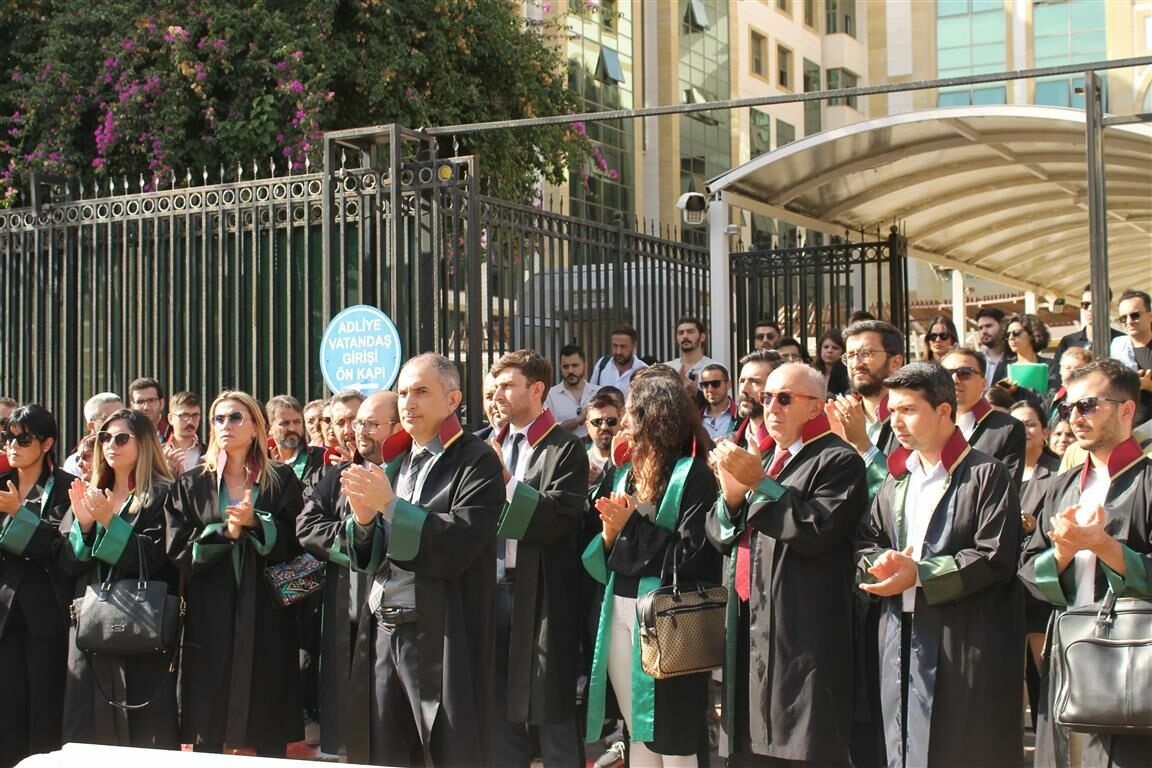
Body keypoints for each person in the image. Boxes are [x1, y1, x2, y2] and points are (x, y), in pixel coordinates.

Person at [856, 362, 1024, 768]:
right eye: (892, 411)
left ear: (945, 411)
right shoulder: (897, 481)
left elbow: (995, 555)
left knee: (962, 748)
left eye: (909, 410)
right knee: (900, 744)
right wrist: (882, 562)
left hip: (963, 636)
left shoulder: (986, 473)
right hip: (898, 631)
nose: (896, 421)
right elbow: (867, 541)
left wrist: (921, 573)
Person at [343, 353, 506, 766]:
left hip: (439, 632)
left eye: (421, 391)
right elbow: (369, 556)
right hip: (383, 629)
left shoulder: (477, 460)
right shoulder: (394, 462)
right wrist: (364, 523)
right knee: (383, 749)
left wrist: (392, 509)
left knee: (447, 752)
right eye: (402, 393)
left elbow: (459, 544)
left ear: (453, 401)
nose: (408, 403)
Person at [709, 363, 868, 766]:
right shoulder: (762, 456)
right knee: (747, 747)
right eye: (766, 398)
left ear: (816, 408)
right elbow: (720, 535)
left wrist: (759, 484)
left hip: (803, 630)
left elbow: (817, 530)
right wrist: (730, 498)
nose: (772, 407)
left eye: (784, 398)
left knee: (802, 748)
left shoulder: (838, 459)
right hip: (748, 621)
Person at [584, 366, 720, 767]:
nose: (622, 423)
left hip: (668, 618)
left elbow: (694, 553)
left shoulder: (693, 474)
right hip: (619, 607)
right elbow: (603, 548)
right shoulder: (623, 473)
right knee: (636, 727)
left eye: (630, 413)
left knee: (673, 735)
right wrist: (611, 534)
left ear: (654, 418)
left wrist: (630, 528)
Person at [1019, 358, 1152, 766]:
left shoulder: (1147, 481)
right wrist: (1063, 552)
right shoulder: (1059, 487)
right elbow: (1026, 575)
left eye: (1088, 405)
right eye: (1067, 408)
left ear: (1127, 409)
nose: (1075, 416)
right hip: (1067, 656)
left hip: (1134, 658)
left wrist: (1104, 546)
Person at [165, 390, 305, 756]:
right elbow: (176, 545)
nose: (225, 425)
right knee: (207, 714)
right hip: (210, 608)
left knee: (268, 714)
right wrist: (225, 532)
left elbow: (298, 541)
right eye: (219, 418)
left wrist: (257, 523)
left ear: (256, 427)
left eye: (236, 417)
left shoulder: (281, 480)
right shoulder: (192, 483)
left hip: (267, 610)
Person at [488, 350, 589, 767]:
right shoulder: (486, 444)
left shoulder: (565, 449)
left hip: (544, 593)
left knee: (552, 710)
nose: (498, 396)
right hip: (491, 590)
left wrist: (508, 481)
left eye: (507, 386)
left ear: (537, 389)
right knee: (498, 710)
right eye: (494, 388)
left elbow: (559, 518)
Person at [58, 409, 178, 748]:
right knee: (87, 727)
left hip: (141, 623)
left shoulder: (164, 495)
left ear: (143, 443)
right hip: (92, 624)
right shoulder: (91, 491)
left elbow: (156, 559)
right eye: (105, 437)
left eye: (122, 437)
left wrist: (111, 522)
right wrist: (83, 525)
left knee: (145, 730)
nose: (111, 444)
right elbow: (67, 564)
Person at [296, 390, 402, 758]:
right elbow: (307, 525)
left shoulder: (407, 471)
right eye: (355, 424)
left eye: (368, 423)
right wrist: (358, 536)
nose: (358, 431)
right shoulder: (340, 474)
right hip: (345, 602)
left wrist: (372, 533)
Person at [0, 405, 73, 768]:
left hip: (47, 611)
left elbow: (60, 548)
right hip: (4, 610)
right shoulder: (0, 485)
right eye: (8, 438)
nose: (13, 445)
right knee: (7, 704)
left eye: (23, 439)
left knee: (44, 704)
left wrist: (19, 513)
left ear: (46, 444)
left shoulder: (64, 487)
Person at [1008, 399, 1061, 731]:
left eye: (1030, 424)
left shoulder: (1057, 473)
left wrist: (1032, 524)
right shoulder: (999, 469)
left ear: (1044, 431)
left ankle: (1049, 735)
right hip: (1007, 581)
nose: (1024, 431)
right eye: (1017, 425)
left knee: (1044, 667)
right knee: (1014, 672)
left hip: (1041, 581)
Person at [827, 320, 906, 501]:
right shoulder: (838, 416)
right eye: (851, 355)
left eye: (865, 353)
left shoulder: (911, 417)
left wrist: (863, 445)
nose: (856, 364)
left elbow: (906, 492)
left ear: (895, 362)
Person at [941, 347, 1027, 487]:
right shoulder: (927, 424)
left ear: (984, 383)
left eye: (965, 373)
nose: (954, 379)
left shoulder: (1008, 428)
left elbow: (1006, 491)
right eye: (946, 374)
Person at [266, 395, 327, 498]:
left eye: (297, 422)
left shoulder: (320, 459)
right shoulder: (261, 461)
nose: (292, 428)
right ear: (270, 428)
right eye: (284, 423)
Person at [1109, 288, 1152, 430]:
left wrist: (1148, 385)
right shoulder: (1116, 349)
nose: (1129, 321)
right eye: (1123, 318)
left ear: (1150, 316)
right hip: (1128, 431)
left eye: (1135, 315)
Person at [729, 350, 784, 457]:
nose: (744, 389)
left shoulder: (789, 445)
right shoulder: (729, 443)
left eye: (755, 382)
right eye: (742, 381)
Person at [1053, 284, 1120, 365]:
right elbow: (1057, 374)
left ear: (1109, 306)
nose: (1090, 309)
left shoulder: (1121, 341)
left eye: (1095, 304)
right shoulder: (1068, 342)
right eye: (1085, 305)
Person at [545, 344, 601, 440]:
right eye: (565, 367)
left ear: (585, 365)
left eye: (575, 365)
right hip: (564, 452)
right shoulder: (550, 395)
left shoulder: (598, 393)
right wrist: (578, 420)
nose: (570, 371)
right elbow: (548, 431)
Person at [62, 393, 123, 477]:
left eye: (123, 416)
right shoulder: (74, 463)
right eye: (108, 417)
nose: (118, 421)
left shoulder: (131, 452)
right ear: (91, 425)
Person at [997, 313, 1059, 393]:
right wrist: (1001, 392)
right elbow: (993, 400)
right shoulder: (1002, 368)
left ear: (1032, 334)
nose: (1011, 338)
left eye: (1016, 332)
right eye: (1008, 334)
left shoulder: (1051, 366)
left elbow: (1054, 397)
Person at [590, 325, 649, 398]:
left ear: (634, 346)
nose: (618, 352)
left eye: (623, 346)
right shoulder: (602, 365)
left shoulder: (644, 371)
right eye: (615, 346)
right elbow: (591, 396)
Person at [660, 317, 715, 389]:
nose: (685, 336)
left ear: (702, 337)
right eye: (681, 333)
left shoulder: (715, 369)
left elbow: (724, 399)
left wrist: (696, 394)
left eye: (690, 332)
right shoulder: (667, 369)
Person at [163, 391, 206, 475]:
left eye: (195, 416)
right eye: (184, 416)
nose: (190, 421)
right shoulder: (157, 453)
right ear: (170, 419)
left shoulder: (208, 453)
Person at [585, 393, 622, 488]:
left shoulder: (631, 463)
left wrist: (604, 479)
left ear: (620, 423)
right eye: (597, 422)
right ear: (588, 426)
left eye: (611, 421)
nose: (604, 427)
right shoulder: (578, 462)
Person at [1048, 347, 1092, 427]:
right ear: (1060, 370)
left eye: (1078, 369)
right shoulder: (1052, 400)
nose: (1072, 373)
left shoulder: (1090, 402)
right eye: (1068, 368)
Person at [699, 363, 738, 441]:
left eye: (715, 384)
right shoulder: (695, 418)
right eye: (705, 384)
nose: (710, 389)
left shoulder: (741, 417)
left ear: (728, 384)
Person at [327, 389, 366, 466]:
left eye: (354, 421)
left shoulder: (384, 464)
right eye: (340, 423)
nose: (348, 431)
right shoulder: (322, 466)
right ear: (332, 426)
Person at [127, 377, 170, 442]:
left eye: (151, 400)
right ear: (132, 406)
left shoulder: (173, 433)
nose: (146, 407)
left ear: (161, 403)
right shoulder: (126, 436)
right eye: (140, 402)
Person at [975, 307, 1008, 390]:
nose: (984, 331)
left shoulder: (1015, 359)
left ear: (1002, 326)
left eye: (988, 326)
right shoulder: (976, 360)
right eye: (980, 328)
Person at [814, 327, 851, 397]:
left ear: (843, 351)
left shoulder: (848, 373)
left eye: (835, 348)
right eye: (826, 347)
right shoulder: (812, 371)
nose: (829, 351)